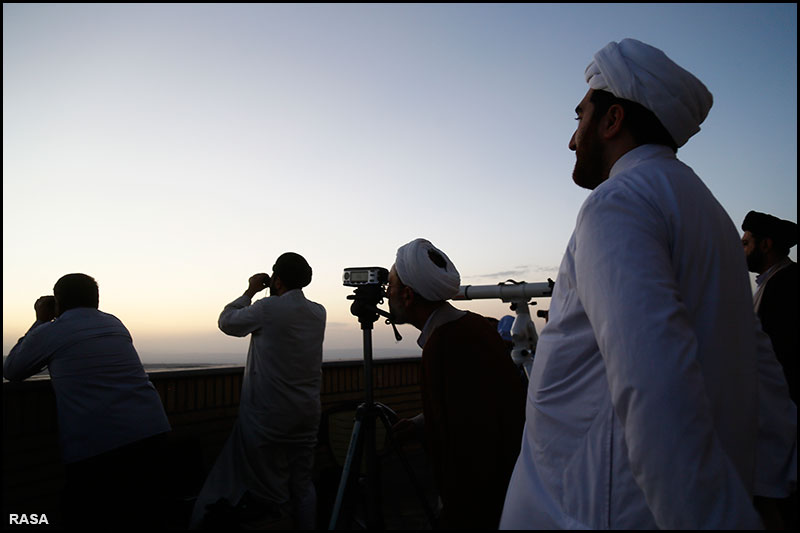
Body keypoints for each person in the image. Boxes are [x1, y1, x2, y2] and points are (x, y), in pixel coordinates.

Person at [499, 39, 797, 529]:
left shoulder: (617, 202)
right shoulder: (710, 213)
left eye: (579, 118)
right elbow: (757, 361)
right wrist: (771, 485)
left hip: (606, 509)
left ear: (612, 120)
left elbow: (654, 385)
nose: (573, 140)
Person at [3, 273, 171, 529]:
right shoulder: (115, 323)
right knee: (144, 513)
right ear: (96, 299)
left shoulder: (52, 330)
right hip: (152, 430)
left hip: (99, 444)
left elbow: (13, 370)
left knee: (83, 514)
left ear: (58, 302)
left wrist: (39, 321)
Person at [388, 238, 525, 530]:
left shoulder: (445, 345)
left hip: (480, 504)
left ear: (408, 296)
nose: (385, 293)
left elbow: (468, 444)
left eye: (390, 285)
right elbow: (477, 403)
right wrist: (422, 423)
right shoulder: (474, 326)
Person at [190, 252, 326, 530]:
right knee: (302, 483)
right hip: (307, 412)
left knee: (270, 489)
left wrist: (250, 290)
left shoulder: (267, 309)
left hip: (269, 415)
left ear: (277, 280)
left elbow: (227, 322)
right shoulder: (318, 312)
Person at [741, 210, 798, 402]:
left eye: (746, 243)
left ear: (765, 245)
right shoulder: (772, 281)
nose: (741, 250)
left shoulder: (787, 284)